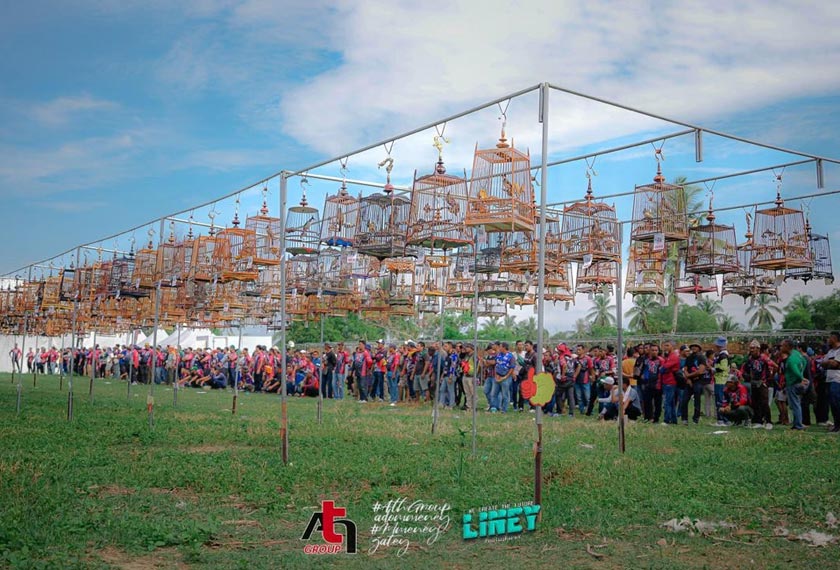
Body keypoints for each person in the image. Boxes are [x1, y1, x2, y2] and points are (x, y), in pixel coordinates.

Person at [740, 340, 773, 428]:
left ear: (758, 349)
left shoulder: (764, 358)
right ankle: (758, 421)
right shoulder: (750, 359)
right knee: (755, 402)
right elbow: (744, 370)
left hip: (763, 382)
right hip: (754, 382)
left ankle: (768, 422)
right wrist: (746, 376)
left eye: (753, 348)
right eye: (750, 348)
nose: (751, 350)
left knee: (764, 403)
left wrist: (767, 381)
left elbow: (773, 367)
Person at [781, 338, 808, 431]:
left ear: (787, 347)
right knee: (797, 403)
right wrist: (802, 372)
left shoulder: (791, 359)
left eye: (782, 346)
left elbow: (794, 370)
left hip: (793, 383)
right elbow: (804, 362)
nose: (780, 347)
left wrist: (801, 377)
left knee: (795, 404)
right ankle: (797, 423)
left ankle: (798, 425)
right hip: (798, 383)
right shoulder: (797, 354)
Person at [822, 331, 840, 433]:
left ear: (835, 338)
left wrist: (829, 362)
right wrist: (829, 362)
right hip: (829, 379)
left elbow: (835, 364)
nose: (828, 339)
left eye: (830, 338)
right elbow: (823, 364)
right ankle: (836, 425)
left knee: (837, 402)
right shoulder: (830, 351)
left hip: (837, 379)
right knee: (832, 403)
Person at [491, 342, 515, 413]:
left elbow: (512, 368)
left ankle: (504, 409)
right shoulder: (498, 355)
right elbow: (496, 365)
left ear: (504, 347)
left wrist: (505, 377)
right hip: (497, 376)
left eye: (500, 347)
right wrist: (496, 375)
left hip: (506, 378)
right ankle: (494, 407)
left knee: (505, 394)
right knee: (494, 393)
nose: (499, 348)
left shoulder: (511, 356)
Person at [660, 341, 681, 425]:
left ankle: (667, 420)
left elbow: (663, 368)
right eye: (665, 345)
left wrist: (663, 369)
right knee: (671, 402)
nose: (665, 347)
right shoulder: (668, 356)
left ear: (672, 346)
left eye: (667, 345)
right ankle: (674, 419)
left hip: (670, 382)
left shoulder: (673, 357)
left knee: (667, 402)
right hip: (667, 381)